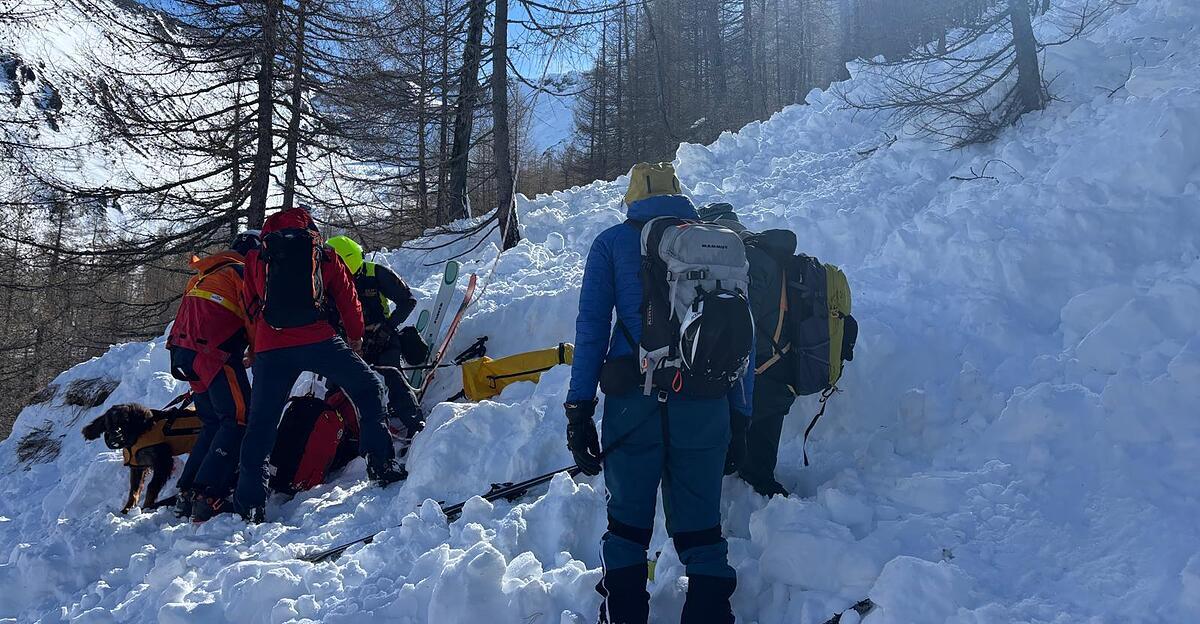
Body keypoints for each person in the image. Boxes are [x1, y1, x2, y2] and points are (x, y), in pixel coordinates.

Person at [565, 164, 753, 624]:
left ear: (631, 200)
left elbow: (591, 332)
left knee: (627, 529)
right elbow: (746, 334)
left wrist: (579, 409)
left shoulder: (611, 244)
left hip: (635, 403)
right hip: (707, 403)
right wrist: (740, 416)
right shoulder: (717, 245)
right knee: (704, 532)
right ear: (679, 196)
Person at [233, 207, 406, 523]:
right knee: (368, 387)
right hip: (318, 340)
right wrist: (355, 340)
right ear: (310, 229)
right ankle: (380, 462)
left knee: (261, 423)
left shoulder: (259, 259)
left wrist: (257, 347)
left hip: (272, 348)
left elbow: (252, 305)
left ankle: (250, 503)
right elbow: (348, 297)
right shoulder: (323, 254)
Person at [699, 202, 796, 498]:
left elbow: (740, 322)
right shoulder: (771, 254)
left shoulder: (740, 258)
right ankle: (761, 489)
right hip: (781, 367)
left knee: (735, 455)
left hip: (752, 372)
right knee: (761, 456)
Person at [166, 231, 258, 522]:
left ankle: (187, 492)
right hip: (214, 352)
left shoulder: (204, 274)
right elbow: (254, 315)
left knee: (212, 422)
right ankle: (209, 494)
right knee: (238, 418)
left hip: (183, 354)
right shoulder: (243, 272)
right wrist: (255, 352)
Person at [325, 236, 425, 438]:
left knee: (393, 374)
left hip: (383, 339)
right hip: (349, 343)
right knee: (336, 385)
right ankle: (333, 429)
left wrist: (387, 328)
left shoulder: (376, 273)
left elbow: (407, 300)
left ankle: (415, 423)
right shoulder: (327, 281)